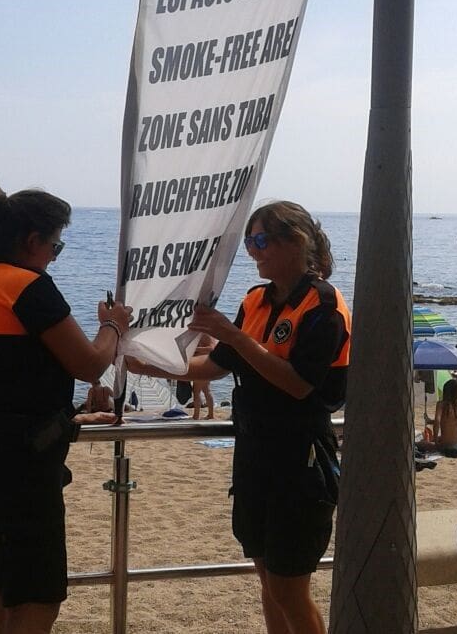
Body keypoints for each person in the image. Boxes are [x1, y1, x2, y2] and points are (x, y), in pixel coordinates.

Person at [129, 200, 350, 634]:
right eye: (249, 241)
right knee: (268, 580)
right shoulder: (255, 300)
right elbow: (216, 365)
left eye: (261, 241)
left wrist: (232, 336)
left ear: (295, 242)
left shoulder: (324, 304)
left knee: (289, 587)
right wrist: (149, 364)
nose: (252, 251)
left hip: (301, 456)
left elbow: (299, 385)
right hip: (254, 452)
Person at [0, 183, 132, 634]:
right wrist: (113, 326)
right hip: (19, 467)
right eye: (56, 246)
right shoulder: (27, 286)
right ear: (33, 241)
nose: (54, 256)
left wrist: (68, 416)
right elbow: (89, 364)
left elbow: (4, 387)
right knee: (38, 600)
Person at [423, 378, 457, 453]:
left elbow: (437, 423)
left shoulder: (441, 404)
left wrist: (436, 442)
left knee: (422, 444)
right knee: (438, 438)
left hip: (445, 446)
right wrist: (456, 440)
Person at [191, 333, 216, 421]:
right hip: (203, 364)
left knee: (196, 391)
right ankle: (210, 415)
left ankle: (196, 416)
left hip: (204, 365)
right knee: (206, 390)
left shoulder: (206, 334)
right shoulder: (201, 334)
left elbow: (212, 348)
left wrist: (195, 349)